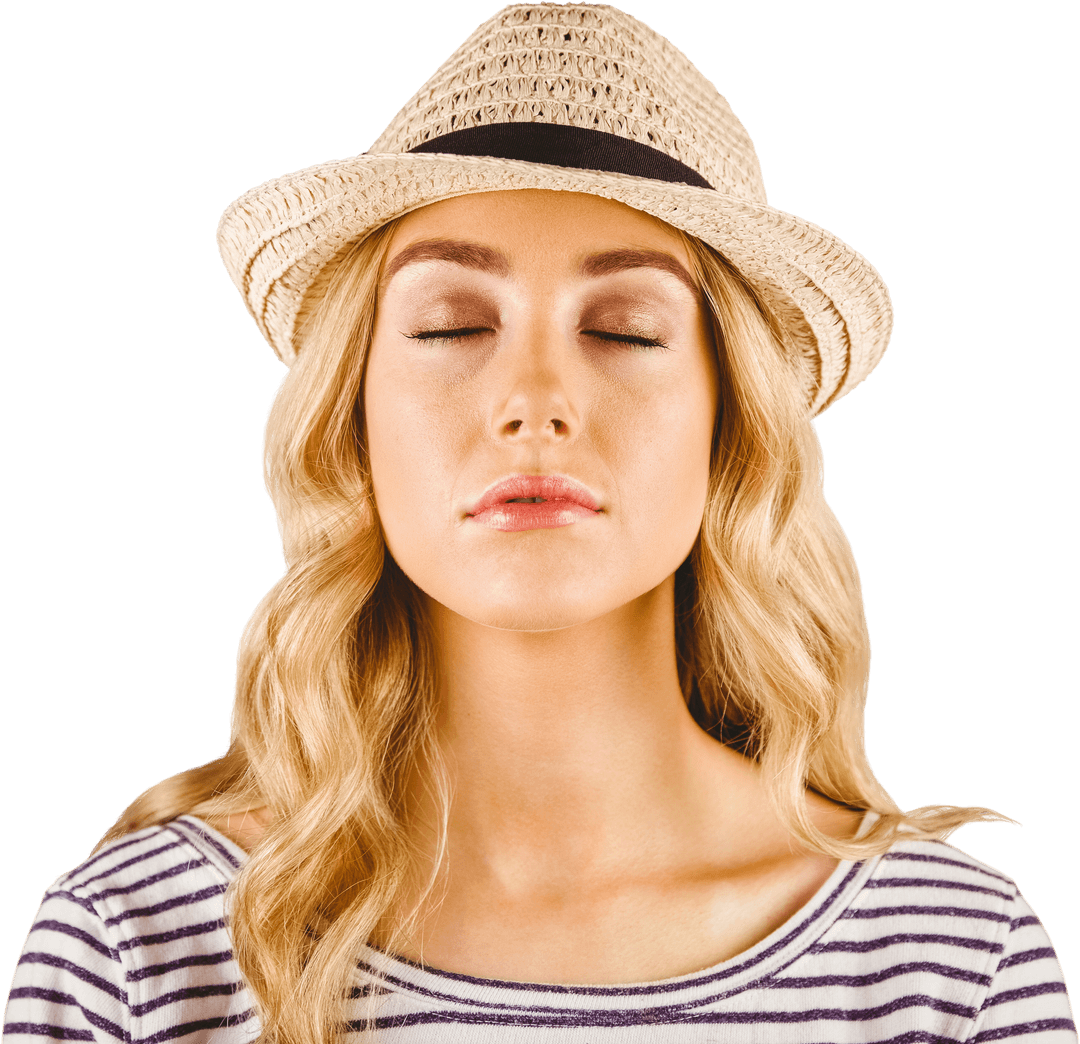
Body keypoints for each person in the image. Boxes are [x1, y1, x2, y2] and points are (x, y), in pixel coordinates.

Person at [3, 4, 1075, 1043]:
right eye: (451, 325)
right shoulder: (137, 948)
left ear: (730, 423)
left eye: (626, 331)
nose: (534, 402)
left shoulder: (948, 960)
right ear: (354, 415)